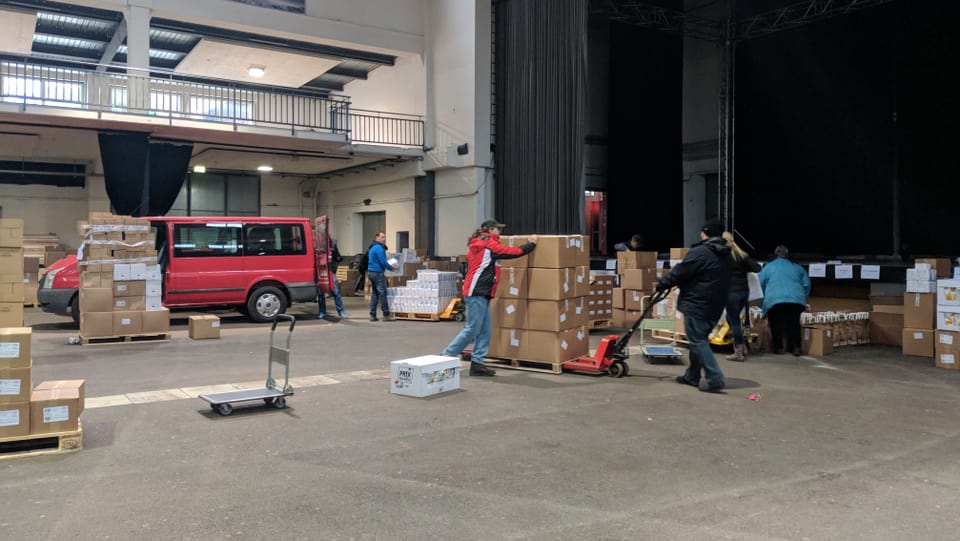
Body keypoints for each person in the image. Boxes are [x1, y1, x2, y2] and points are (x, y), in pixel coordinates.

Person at [441, 219, 537, 376]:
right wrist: (531, 245)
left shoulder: (483, 242)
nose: (500, 232)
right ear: (491, 230)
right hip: (476, 291)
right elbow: (511, 252)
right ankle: (446, 356)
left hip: (482, 292)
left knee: (485, 330)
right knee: (472, 328)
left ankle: (477, 363)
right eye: (498, 229)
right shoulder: (488, 244)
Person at [655, 220, 731, 392]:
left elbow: (681, 272)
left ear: (705, 233)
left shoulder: (701, 252)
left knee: (697, 341)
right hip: (716, 304)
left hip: (697, 303)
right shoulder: (725, 253)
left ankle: (715, 377)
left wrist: (661, 284)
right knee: (699, 340)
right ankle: (692, 375)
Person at [758, 245, 810, 356]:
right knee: (794, 323)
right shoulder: (798, 267)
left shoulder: (768, 267)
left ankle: (778, 348)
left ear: (776, 253)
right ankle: (796, 348)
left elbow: (760, 284)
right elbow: (807, 284)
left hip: (775, 299)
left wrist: (763, 300)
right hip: (796, 299)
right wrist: (803, 299)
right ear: (787, 254)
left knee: (776, 323)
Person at [723, 231, 761, 361]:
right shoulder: (742, 255)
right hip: (744, 292)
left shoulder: (723, 257)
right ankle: (740, 343)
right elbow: (757, 268)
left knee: (734, 321)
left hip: (731, 293)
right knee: (732, 319)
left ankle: (739, 351)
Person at [367, 231, 395, 321]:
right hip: (378, 273)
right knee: (383, 293)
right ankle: (386, 314)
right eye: (382, 237)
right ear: (377, 237)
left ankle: (373, 315)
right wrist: (391, 268)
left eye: (384, 237)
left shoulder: (372, 247)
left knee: (375, 294)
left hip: (371, 273)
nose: (384, 239)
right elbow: (383, 262)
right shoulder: (379, 248)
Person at [318, 237, 348, 320]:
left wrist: (334, 264)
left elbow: (338, 257)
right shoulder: (318, 246)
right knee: (321, 293)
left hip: (331, 272)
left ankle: (341, 311)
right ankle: (322, 312)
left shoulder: (332, 245)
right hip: (322, 272)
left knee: (336, 292)